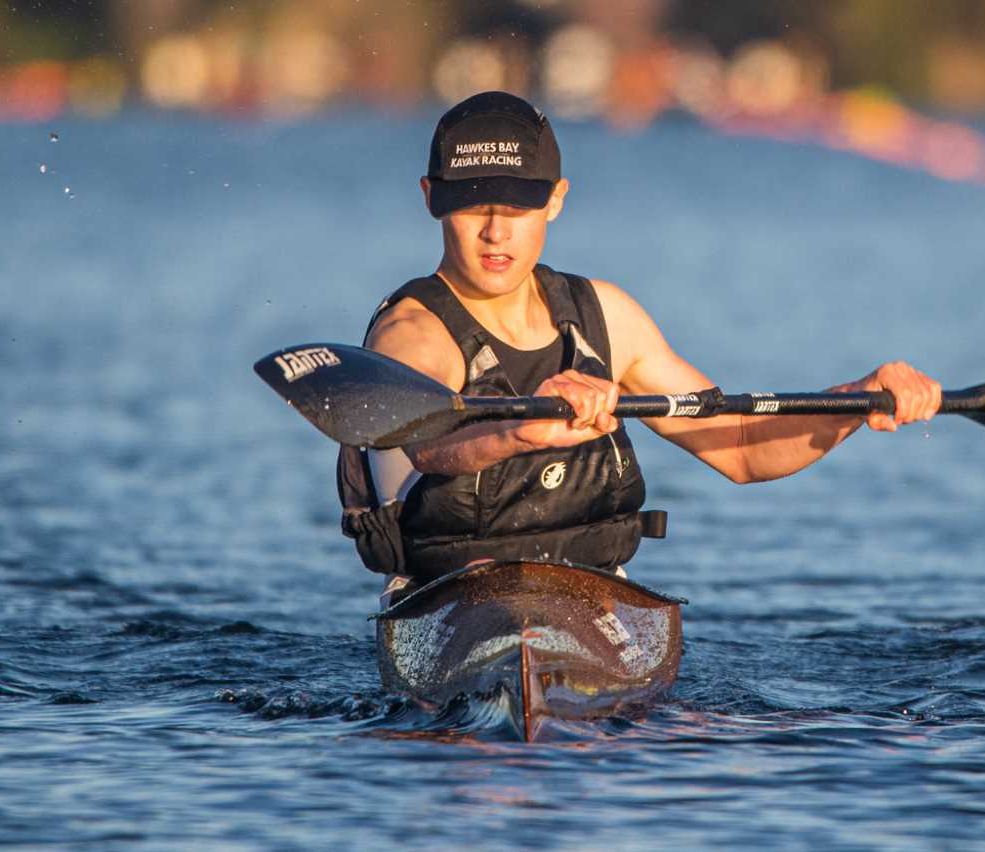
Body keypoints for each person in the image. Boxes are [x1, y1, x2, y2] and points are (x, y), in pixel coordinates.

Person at [335, 91, 942, 596]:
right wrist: (524, 429)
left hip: (594, 599)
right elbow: (429, 444)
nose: (495, 232)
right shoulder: (411, 332)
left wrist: (857, 401)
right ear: (430, 199)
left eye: (517, 207)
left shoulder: (605, 318)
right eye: (472, 207)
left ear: (555, 200)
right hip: (446, 601)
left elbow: (739, 446)